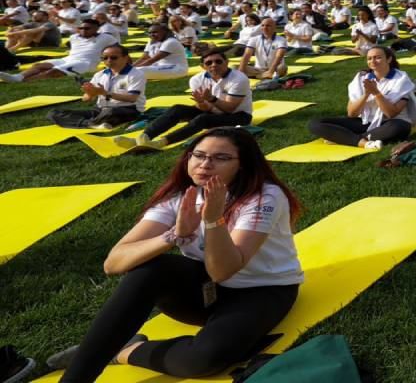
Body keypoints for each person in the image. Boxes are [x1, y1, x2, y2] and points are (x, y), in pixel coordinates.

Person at [49, 127, 302, 383]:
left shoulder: (263, 197)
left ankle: (126, 349)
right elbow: (113, 263)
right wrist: (173, 234)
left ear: (243, 165)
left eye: (221, 158)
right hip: (207, 289)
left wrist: (214, 220)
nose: (205, 164)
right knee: (150, 271)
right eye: (198, 155)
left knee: (202, 361)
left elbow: (224, 270)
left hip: (262, 289)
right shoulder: (180, 197)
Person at [119, 50, 254, 152]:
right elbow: (205, 108)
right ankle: (144, 137)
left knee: (203, 119)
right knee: (178, 109)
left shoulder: (238, 78)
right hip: (213, 112)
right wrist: (201, 102)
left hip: (239, 116)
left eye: (218, 61)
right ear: (202, 66)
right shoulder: (196, 80)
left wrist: (211, 99)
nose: (214, 65)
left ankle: (162, 143)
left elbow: (229, 109)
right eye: (209, 63)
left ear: (227, 62)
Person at [307, 46, 416, 150]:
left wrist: (376, 93)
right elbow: (352, 114)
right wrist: (366, 94)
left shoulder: (401, 80)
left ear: (389, 59)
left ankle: (344, 138)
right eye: (369, 58)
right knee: (316, 123)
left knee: (400, 127)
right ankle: (363, 142)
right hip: (365, 122)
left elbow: (391, 113)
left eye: (378, 58)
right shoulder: (361, 78)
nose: (373, 61)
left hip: (389, 123)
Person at [48, 44, 146, 130]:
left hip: (128, 109)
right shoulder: (100, 74)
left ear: (125, 58)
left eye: (113, 57)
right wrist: (90, 94)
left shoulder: (136, 74)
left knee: (110, 112)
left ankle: (92, 122)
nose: (109, 60)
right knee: (54, 113)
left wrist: (105, 93)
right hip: (100, 110)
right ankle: (92, 124)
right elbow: (86, 99)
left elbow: (132, 98)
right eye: (105, 58)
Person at [1, 19, 116, 83]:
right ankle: (18, 77)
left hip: (86, 63)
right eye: (81, 28)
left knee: (53, 71)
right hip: (68, 59)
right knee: (39, 65)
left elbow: (117, 49)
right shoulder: (74, 37)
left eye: (87, 28)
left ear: (96, 29)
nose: (83, 30)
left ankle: (24, 81)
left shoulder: (105, 37)